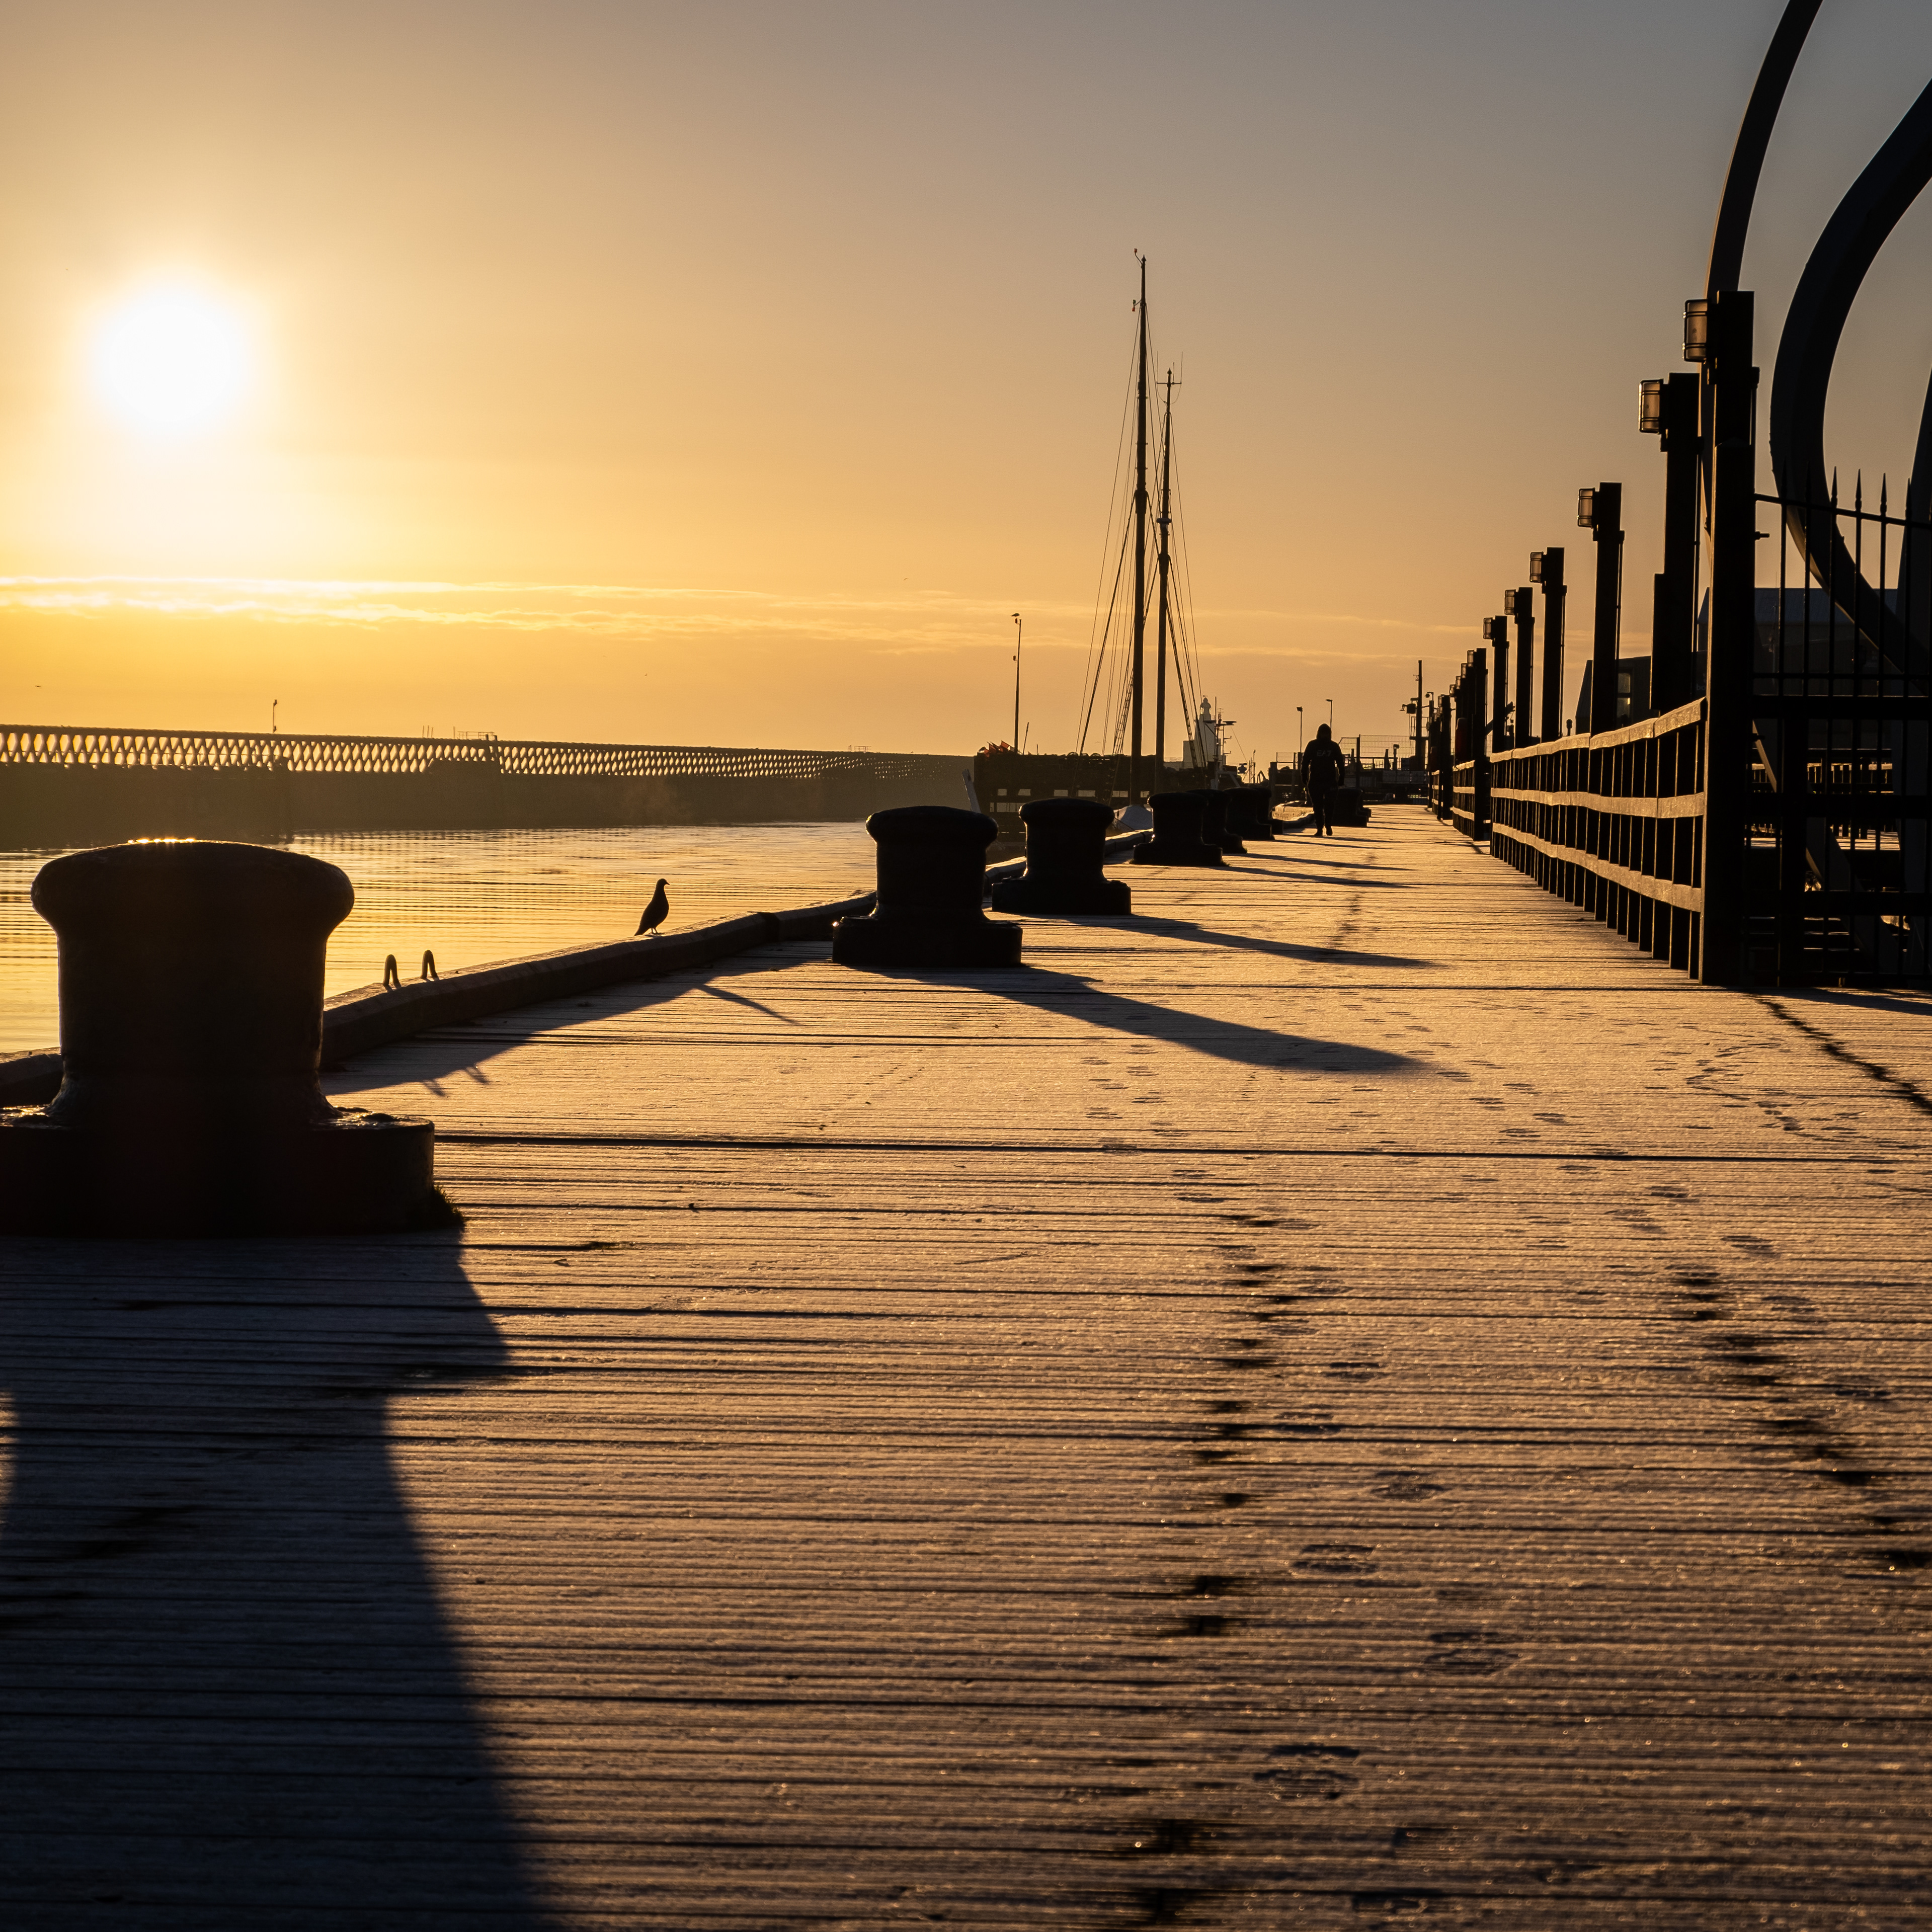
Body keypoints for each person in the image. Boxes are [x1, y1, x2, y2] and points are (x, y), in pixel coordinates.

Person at [1302, 722, 1347, 836]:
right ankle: (1320, 828)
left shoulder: (1333, 746)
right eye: (1323, 734)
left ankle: (1327, 825)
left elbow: (1340, 763)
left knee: (1329, 805)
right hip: (1317, 780)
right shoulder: (1314, 745)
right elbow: (1305, 762)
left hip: (1329, 780)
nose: (1325, 736)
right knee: (1318, 806)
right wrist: (1304, 775)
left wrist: (1342, 777)